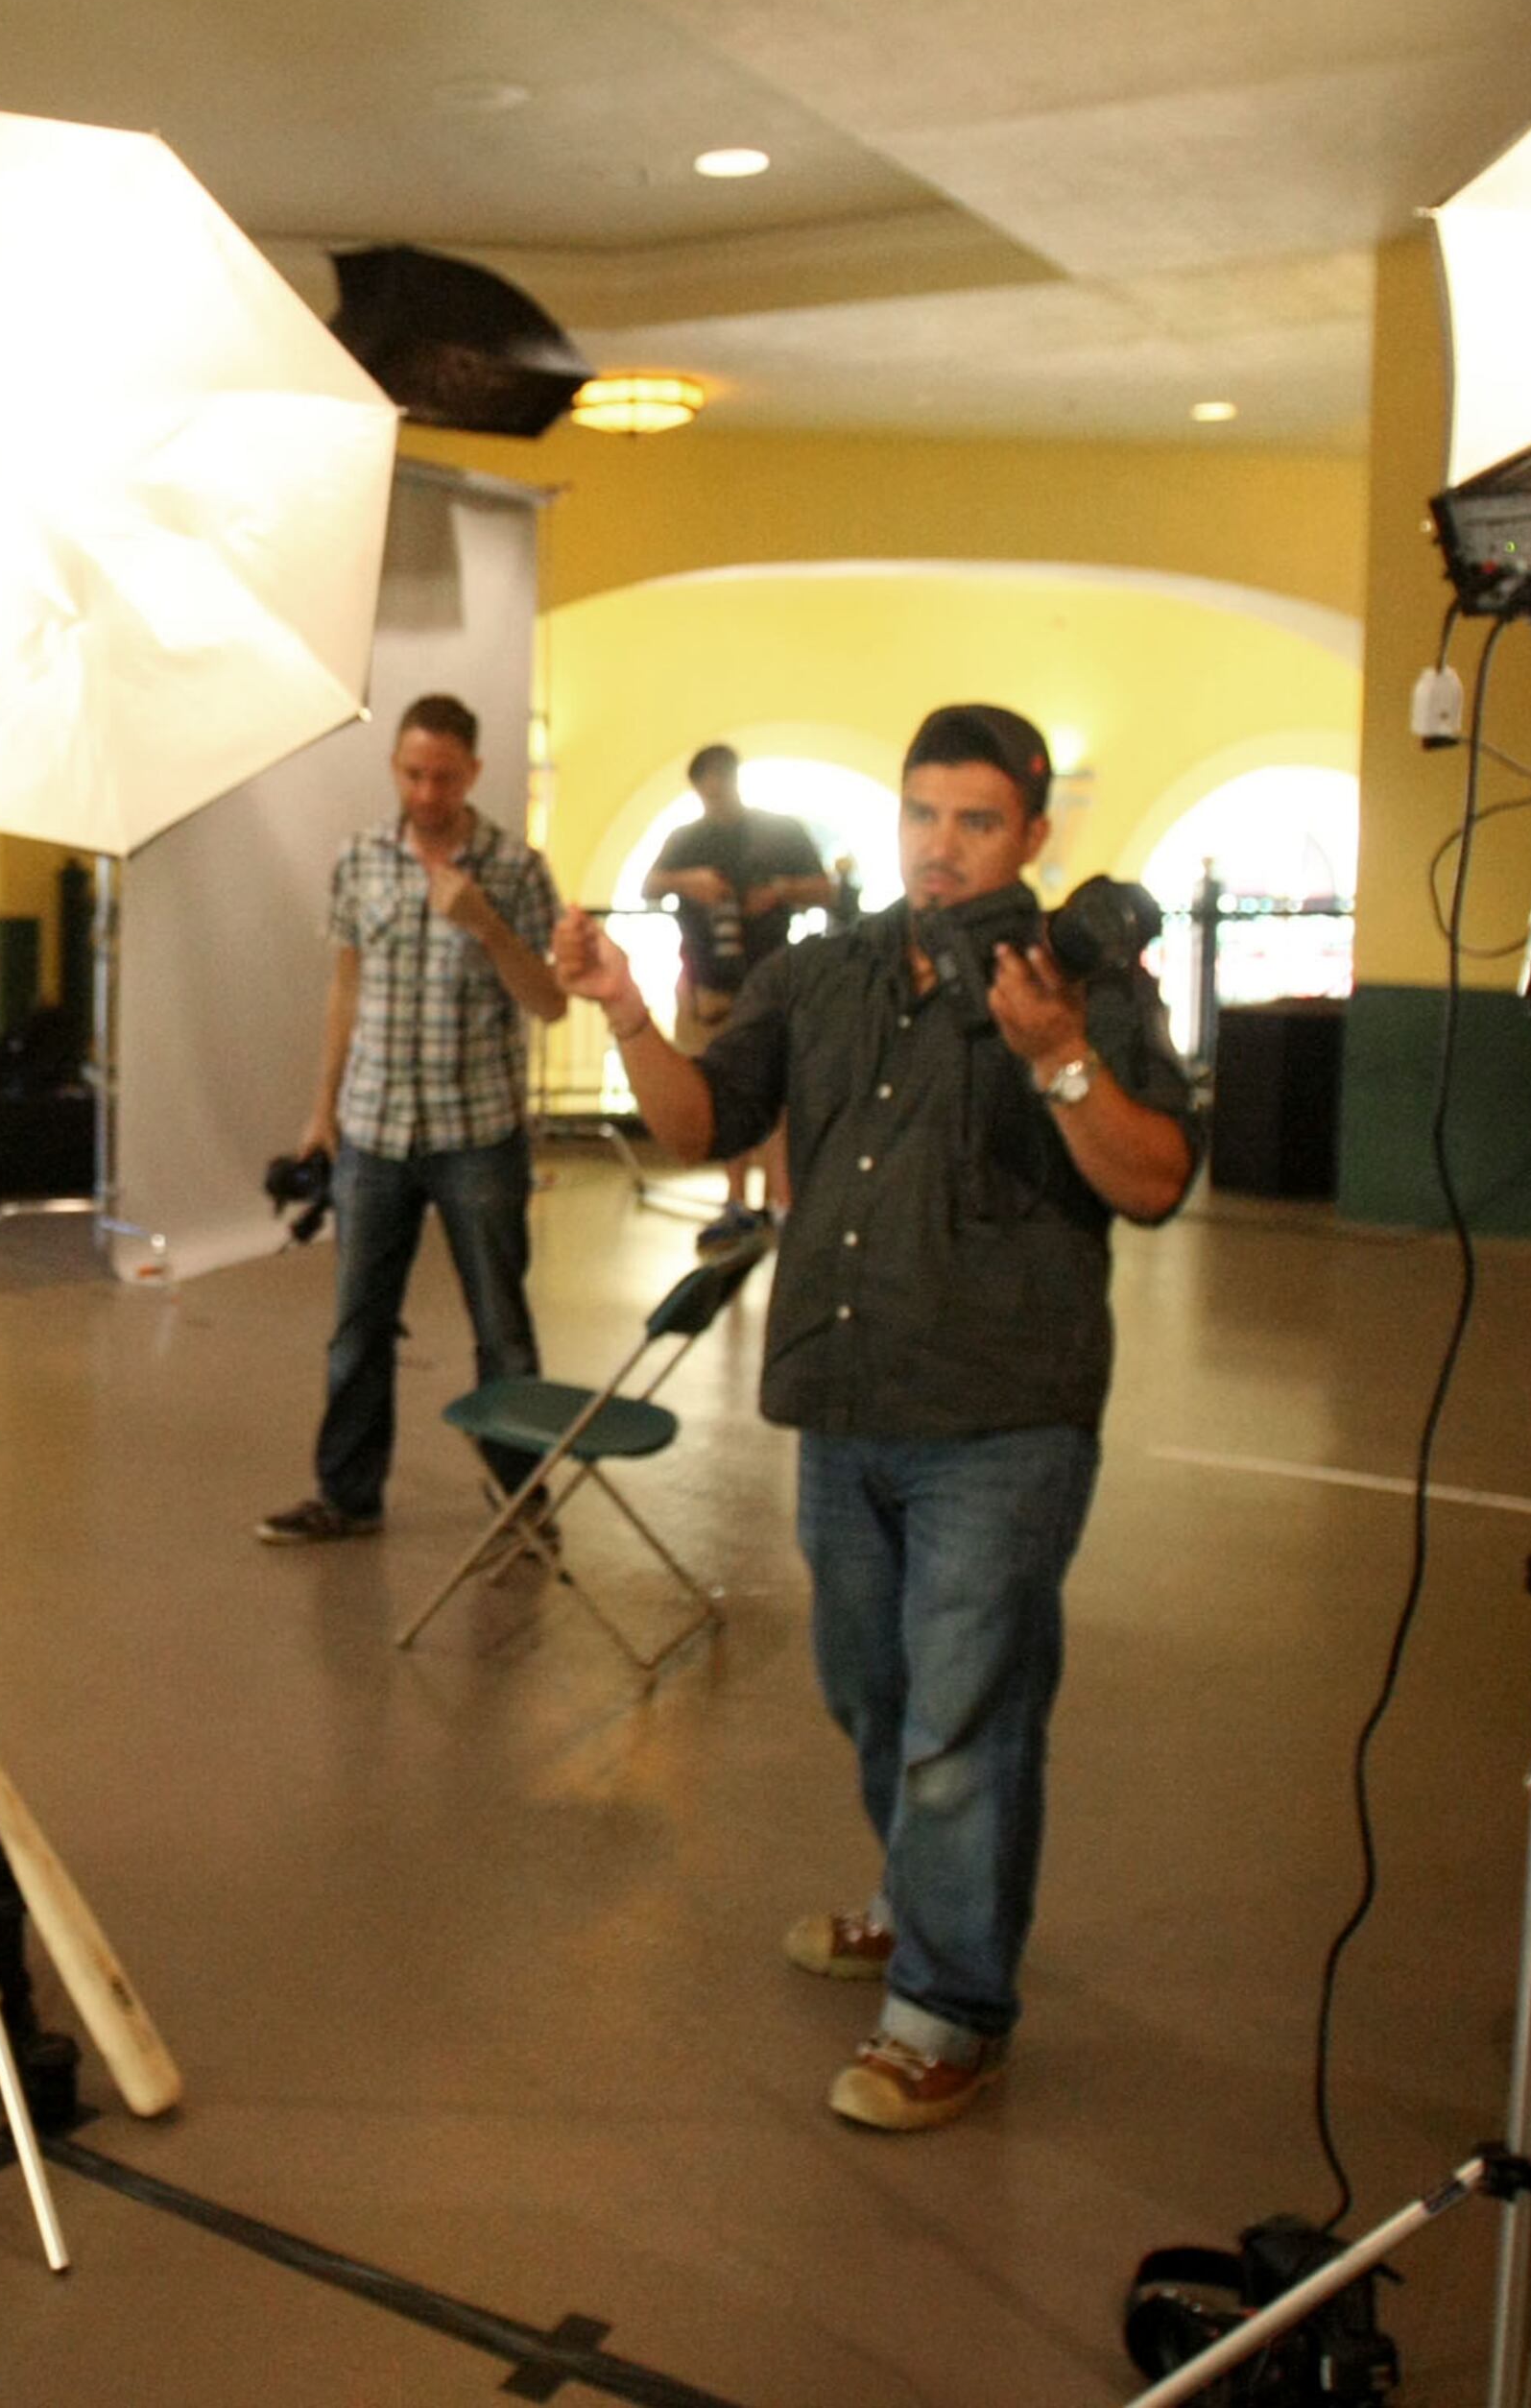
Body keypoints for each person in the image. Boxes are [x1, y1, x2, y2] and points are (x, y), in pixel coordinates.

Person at [552, 703, 1199, 2132]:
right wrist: (624, 1006)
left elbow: (1153, 1181)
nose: (944, 847)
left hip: (1003, 1421)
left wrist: (1057, 1055)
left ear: (1032, 833)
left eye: (978, 822)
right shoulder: (829, 970)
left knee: (966, 1721)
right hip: (847, 1405)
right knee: (873, 1694)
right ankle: (916, 1901)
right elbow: (699, 1126)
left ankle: (954, 2008)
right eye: (925, 815)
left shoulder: (1080, 975)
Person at [261, 693, 568, 1545]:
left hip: (479, 1133)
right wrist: (321, 1114)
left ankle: (522, 1499)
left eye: (444, 776)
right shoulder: (362, 859)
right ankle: (349, 1497)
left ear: (473, 772)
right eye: (412, 773)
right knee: (358, 1326)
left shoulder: (515, 868)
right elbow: (346, 987)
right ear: (395, 768)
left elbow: (548, 1004)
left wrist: (488, 925)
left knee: (502, 1328)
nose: (427, 793)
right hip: (374, 1131)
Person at [643, 742, 837, 1243]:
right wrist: (691, 882)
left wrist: (779, 892)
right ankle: (737, 1199)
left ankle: (781, 1199)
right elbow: (651, 884)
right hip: (710, 984)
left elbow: (824, 888)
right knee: (725, 1089)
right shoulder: (688, 840)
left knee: (780, 1095)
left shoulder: (779, 832)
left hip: (771, 979)